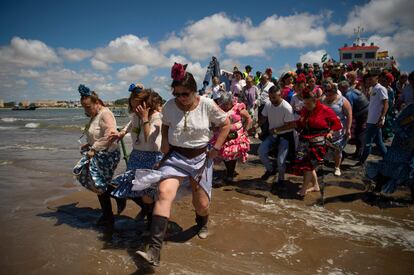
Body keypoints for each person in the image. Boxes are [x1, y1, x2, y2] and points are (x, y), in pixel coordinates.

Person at [135, 63, 230, 266]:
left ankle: (202, 223)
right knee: (163, 192)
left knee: (202, 205)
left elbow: (225, 123)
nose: (180, 98)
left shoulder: (206, 104)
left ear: (194, 91)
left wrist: (217, 148)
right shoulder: (169, 106)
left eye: (184, 94)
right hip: (176, 158)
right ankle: (154, 250)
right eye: (177, 94)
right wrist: (166, 142)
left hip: (200, 159)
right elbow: (166, 125)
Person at [109, 85, 164, 226]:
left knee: (147, 195)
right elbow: (130, 124)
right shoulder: (136, 116)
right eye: (133, 107)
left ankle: (151, 223)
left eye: (137, 107)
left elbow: (148, 138)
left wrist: (145, 118)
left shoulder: (157, 117)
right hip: (136, 156)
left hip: (152, 158)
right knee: (128, 187)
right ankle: (146, 212)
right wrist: (121, 133)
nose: (135, 110)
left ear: (146, 104)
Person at [73, 84, 121, 226]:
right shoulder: (95, 115)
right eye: (84, 107)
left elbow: (110, 136)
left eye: (88, 107)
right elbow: (96, 135)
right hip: (97, 154)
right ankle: (108, 215)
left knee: (99, 185)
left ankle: (120, 200)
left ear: (97, 102)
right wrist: (88, 145)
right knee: (98, 185)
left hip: (108, 155)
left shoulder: (105, 114)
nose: (86, 110)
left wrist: (93, 148)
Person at [293, 87, 342, 197]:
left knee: (309, 165)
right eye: (305, 103)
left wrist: (331, 132)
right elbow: (301, 124)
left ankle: (303, 189)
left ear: (315, 101)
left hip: (318, 142)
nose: (306, 106)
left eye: (308, 104)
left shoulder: (326, 110)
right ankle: (315, 186)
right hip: (304, 140)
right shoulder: (305, 110)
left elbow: (336, 123)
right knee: (305, 164)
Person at [365, 103, 414, 198]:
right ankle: (376, 190)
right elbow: (395, 124)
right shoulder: (411, 108)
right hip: (402, 146)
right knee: (389, 169)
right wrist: (407, 137)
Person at [256, 85, 296, 193]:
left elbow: (292, 125)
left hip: (285, 135)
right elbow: (264, 117)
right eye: (270, 97)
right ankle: (270, 170)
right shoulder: (269, 104)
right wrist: (256, 126)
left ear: (280, 95)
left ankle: (281, 179)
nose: (272, 100)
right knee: (261, 151)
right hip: (272, 134)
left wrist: (277, 129)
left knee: (281, 160)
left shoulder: (286, 107)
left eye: (274, 97)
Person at [212, 93, 252, 183]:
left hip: (236, 135)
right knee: (223, 154)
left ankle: (230, 174)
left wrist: (246, 130)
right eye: (223, 104)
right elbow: (214, 121)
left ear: (231, 102)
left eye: (226, 104)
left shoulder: (238, 108)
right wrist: (214, 128)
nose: (225, 107)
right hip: (222, 135)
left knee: (232, 154)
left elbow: (249, 118)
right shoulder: (219, 109)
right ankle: (230, 172)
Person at [322, 80, 353, 176]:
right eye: (326, 93)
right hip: (326, 128)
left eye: (330, 93)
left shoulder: (343, 100)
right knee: (325, 147)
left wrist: (348, 129)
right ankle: (327, 160)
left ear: (335, 92)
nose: (328, 95)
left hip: (339, 129)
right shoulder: (323, 99)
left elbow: (349, 115)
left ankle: (337, 167)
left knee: (337, 149)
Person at [358, 71, 389, 165]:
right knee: (379, 143)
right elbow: (372, 106)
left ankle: (362, 161)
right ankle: (388, 159)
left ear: (377, 78)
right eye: (368, 79)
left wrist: (381, 118)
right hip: (370, 120)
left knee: (368, 142)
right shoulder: (373, 89)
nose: (369, 80)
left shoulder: (381, 89)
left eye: (371, 78)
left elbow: (386, 104)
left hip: (375, 121)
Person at [339, 80, 369, 158]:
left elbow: (349, 109)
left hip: (362, 114)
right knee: (359, 132)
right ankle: (358, 152)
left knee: (359, 132)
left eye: (340, 88)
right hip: (364, 112)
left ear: (343, 88)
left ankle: (360, 153)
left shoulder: (348, 94)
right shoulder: (352, 90)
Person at [257, 73, 275, 139]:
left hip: (268, 105)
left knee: (267, 121)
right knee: (260, 120)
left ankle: (267, 134)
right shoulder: (259, 85)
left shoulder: (271, 85)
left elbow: (273, 95)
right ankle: (263, 133)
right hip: (260, 105)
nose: (262, 80)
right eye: (261, 79)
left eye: (263, 79)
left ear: (267, 79)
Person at [379, 72, 396, 140]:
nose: (389, 83)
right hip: (380, 109)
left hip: (387, 110)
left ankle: (384, 136)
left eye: (389, 82)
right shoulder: (380, 88)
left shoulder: (390, 90)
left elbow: (390, 102)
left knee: (386, 122)